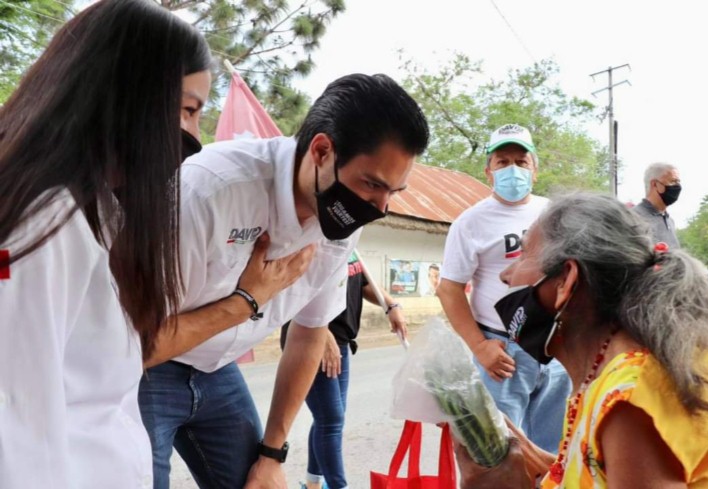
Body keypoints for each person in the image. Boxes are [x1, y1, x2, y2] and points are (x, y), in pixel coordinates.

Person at [138, 74, 430, 489]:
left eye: (394, 192)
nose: (379, 208)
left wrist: (272, 455)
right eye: (373, 185)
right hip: (145, 371)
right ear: (322, 150)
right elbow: (136, 346)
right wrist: (245, 302)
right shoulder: (211, 190)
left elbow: (310, 333)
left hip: (217, 368)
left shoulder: (345, 216)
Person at [0, 0, 212, 487]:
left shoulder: (96, 212)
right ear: (125, 94)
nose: (194, 137)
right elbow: (14, 421)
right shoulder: (44, 220)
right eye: (186, 109)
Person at [455, 193, 708, 488]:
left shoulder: (630, 402)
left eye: (524, 255)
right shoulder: (622, 368)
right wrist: (531, 455)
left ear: (566, 280)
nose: (505, 274)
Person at [436, 123, 571, 454]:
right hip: (503, 352)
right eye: (503, 161)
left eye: (521, 161)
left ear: (535, 170)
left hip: (558, 348)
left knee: (555, 454)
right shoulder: (470, 222)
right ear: (488, 172)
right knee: (499, 455)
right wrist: (480, 347)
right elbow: (449, 289)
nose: (513, 169)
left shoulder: (555, 214)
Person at [280, 252, 407, 489]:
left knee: (328, 419)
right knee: (330, 419)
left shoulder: (350, 243)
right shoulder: (314, 239)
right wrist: (321, 333)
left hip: (341, 340)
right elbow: (293, 289)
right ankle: (338, 486)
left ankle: (313, 483)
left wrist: (391, 305)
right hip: (309, 339)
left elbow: (362, 281)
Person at [633, 162, 682, 248]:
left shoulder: (670, 221)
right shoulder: (634, 218)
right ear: (655, 184)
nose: (678, 186)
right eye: (673, 181)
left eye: (678, 182)